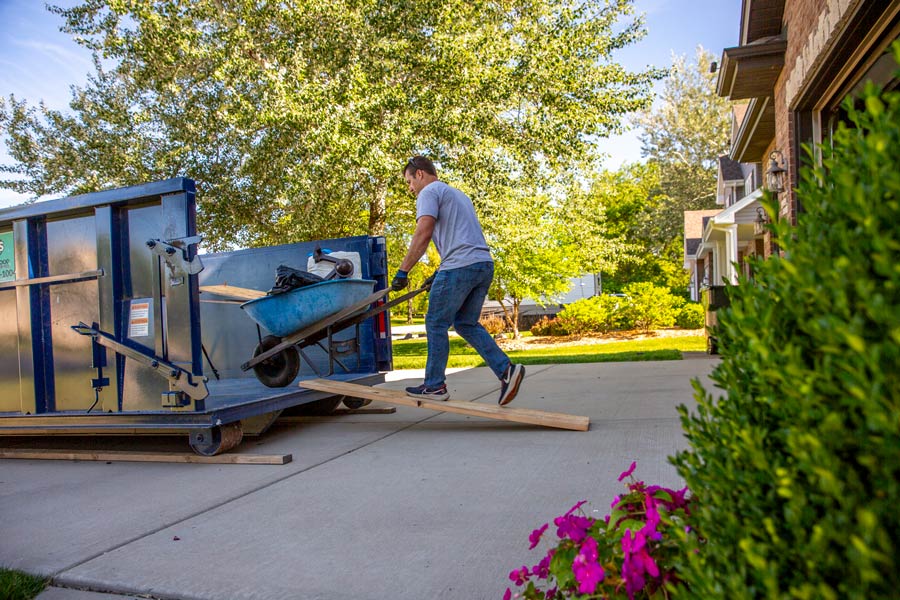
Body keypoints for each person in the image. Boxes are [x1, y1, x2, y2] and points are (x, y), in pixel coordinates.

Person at [391, 156, 525, 405]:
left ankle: (434, 386)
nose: (410, 188)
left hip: (460, 266)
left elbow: (424, 231)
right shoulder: (458, 195)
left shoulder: (428, 192)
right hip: (482, 264)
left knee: (435, 323)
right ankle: (507, 371)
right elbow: (460, 238)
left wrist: (403, 271)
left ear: (420, 174)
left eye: (409, 181)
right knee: (465, 323)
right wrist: (438, 273)